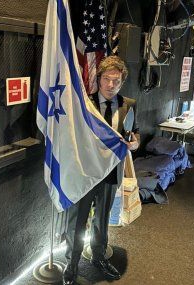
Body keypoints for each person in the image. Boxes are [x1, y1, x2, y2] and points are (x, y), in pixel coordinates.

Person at [63, 56, 140, 285]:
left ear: (122, 82)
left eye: (116, 81)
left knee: (102, 219)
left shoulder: (129, 105)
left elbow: (135, 132)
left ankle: (98, 257)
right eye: (106, 79)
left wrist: (135, 144)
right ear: (99, 79)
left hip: (110, 173)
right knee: (77, 220)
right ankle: (72, 262)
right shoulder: (85, 104)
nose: (110, 85)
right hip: (86, 174)